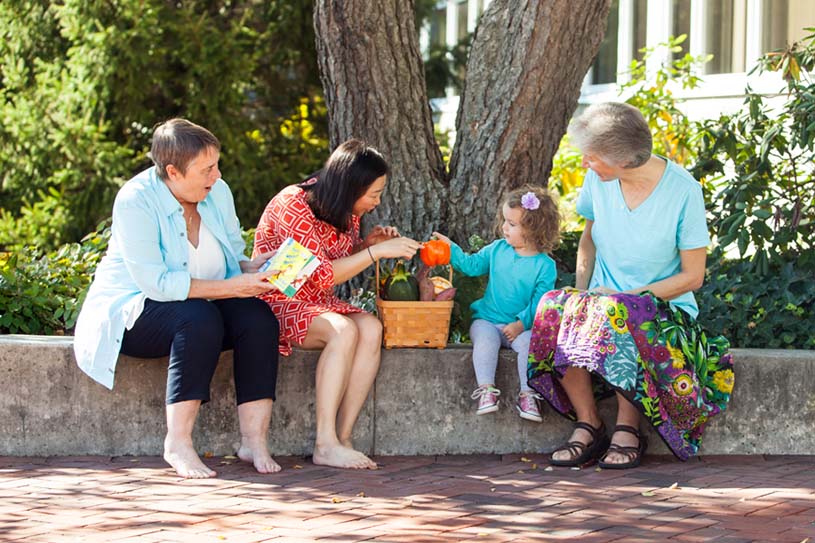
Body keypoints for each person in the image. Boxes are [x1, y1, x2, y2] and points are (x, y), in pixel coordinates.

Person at [527, 102, 734, 469]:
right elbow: (588, 239)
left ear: (622, 159)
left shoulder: (683, 191)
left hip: (662, 310)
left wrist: (624, 297)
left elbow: (692, 276)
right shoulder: (600, 180)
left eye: (592, 157)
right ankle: (588, 421)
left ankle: (629, 427)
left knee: (620, 313)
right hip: (605, 303)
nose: (585, 164)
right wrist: (582, 291)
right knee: (556, 306)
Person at [73, 119, 282, 479]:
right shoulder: (136, 200)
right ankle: (178, 443)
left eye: (216, 165)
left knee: (258, 318)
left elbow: (232, 258)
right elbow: (158, 284)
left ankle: (253, 441)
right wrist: (235, 287)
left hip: (201, 305)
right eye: (207, 169)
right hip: (133, 313)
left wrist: (255, 265)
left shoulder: (216, 191)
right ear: (172, 171)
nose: (216, 175)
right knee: (198, 317)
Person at [253, 139, 421, 470]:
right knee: (342, 330)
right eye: (373, 194)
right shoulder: (293, 205)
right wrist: (375, 253)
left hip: (316, 302)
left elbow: (336, 259)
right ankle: (324, 442)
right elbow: (321, 274)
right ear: (350, 187)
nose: (377, 202)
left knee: (371, 328)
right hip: (276, 299)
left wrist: (365, 244)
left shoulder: (344, 209)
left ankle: (343, 438)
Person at [433, 185, 560, 423]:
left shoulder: (544, 265)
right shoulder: (497, 249)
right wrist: (451, 248)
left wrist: (521, 324)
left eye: (512, 224)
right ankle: (486, 391)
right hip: (488, 320)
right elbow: (471, 266)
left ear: (534, 229)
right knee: (485, 340)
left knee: (530, 344)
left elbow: (541, 301)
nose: (504, 227)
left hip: (521, 327)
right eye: (505, 220)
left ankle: (528, 394)